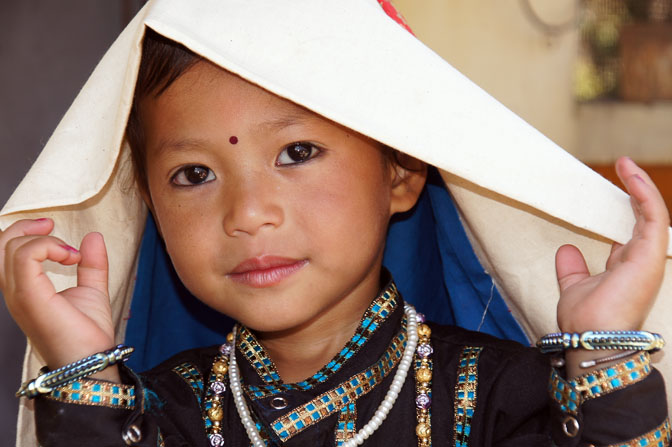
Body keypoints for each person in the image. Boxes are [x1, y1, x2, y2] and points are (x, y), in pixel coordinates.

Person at [1, 1, 670, 446]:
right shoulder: (159, 413)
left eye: (296, 153)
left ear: (401, 174)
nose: (247, 213)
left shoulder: (495, 394)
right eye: (193, 175)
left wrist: (602, 353)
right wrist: (79, 366)